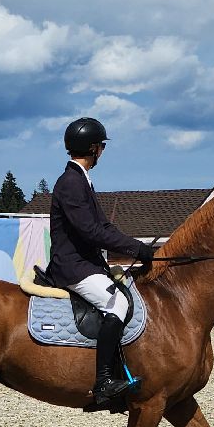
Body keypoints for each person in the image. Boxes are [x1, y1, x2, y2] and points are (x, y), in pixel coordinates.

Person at [47, 117, 154, 406]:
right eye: (102, 146)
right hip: (73, 266)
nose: (102, 151)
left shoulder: (81, 180)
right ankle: (104, 381)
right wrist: (135, 249)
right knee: (118, 304)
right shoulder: (70, 182)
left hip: (84, 263)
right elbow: (90, 231)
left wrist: (138, 247)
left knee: (124, 295)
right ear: (94, 148)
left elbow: (103, 227)